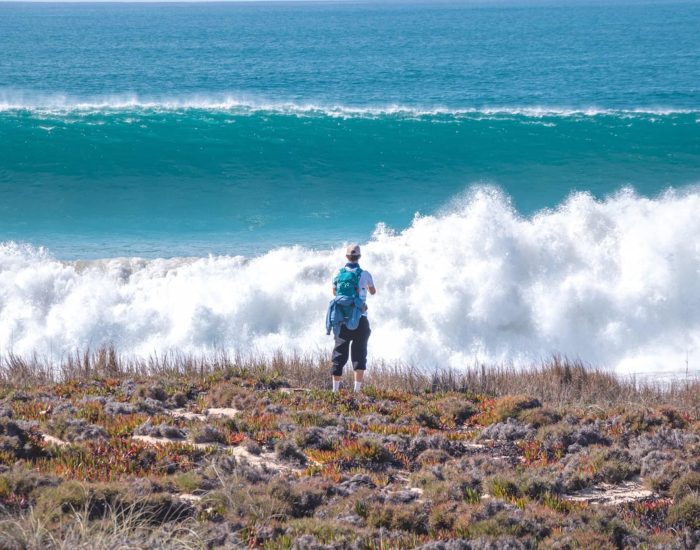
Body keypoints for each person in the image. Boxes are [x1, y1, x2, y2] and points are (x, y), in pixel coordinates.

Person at [330, 244, 376, 393]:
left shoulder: (337, 273)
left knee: (339, 354)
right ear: (359, 257)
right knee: (359, 353)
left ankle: (335, 391)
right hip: (360, 319)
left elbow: (334, 292)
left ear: (346, 257)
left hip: (342, 319)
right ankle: (356, 392)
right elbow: (373, 291)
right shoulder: (365, 274)